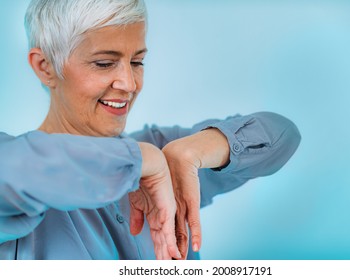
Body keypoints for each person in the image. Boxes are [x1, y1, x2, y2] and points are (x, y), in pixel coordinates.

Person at [0, 0, 301, 260]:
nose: (129, 84)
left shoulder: (164, 152)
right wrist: (139, 160)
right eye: (104, 63)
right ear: (45, 66)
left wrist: (192, 151)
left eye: (137, 61)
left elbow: (282, 136)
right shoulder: (18, 173)